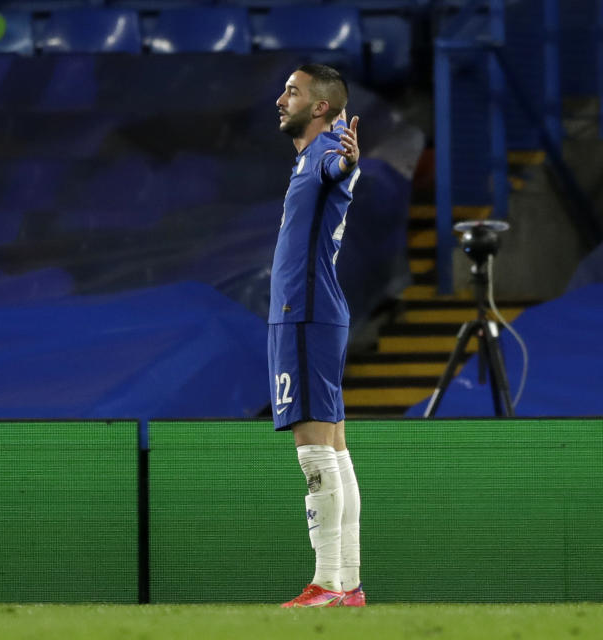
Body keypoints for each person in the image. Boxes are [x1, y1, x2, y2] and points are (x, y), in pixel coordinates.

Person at [268, 64, 364, 608]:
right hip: (316, 310)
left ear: (321, 106)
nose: (281, 99)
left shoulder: (326, 152)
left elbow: (339, 168)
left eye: (293, 91)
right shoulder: (310, 156)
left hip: (302, 313)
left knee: (314, 454)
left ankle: (327, 582)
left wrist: (347, 160)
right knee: (336, 450)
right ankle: (346, 582)